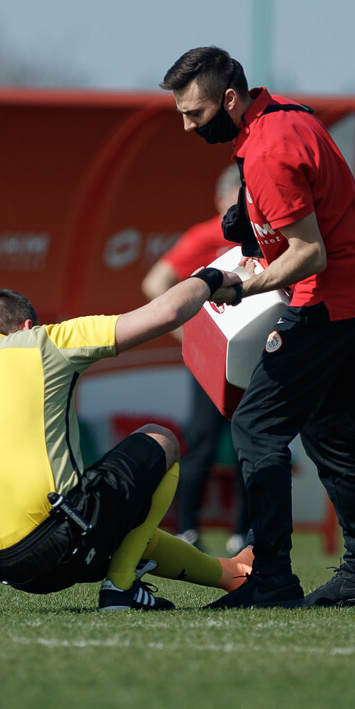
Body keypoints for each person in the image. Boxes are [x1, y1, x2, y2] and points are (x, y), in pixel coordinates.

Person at [161, 46, 355, 609]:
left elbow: (310, 254)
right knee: (329, 431)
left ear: (228, 99)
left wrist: (239, 284)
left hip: (333, 297)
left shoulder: (266, 150)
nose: (188, 126)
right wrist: (253, 230)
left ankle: (271, 576)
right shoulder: (289, 115)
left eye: (195, 114)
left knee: (256, 427)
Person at [0, 276, 254, 613]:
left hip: (7, 568)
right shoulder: (44, 341)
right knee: (161, 439)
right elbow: (168, 311)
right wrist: (211, 279)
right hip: (67, 539)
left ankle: (230, 574)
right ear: (27, 325)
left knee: (124, 523)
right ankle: (120, 590)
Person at [141, 164, 249, 555]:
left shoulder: (262, 237)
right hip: (213, 360)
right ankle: (187, 528)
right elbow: (155, 282)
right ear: (222, 199)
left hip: (252, 355)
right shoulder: (205, 236)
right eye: (239, 195)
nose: (246, 203)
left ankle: (245, 532)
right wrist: (191, 338)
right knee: (201, 443)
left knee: (251, 442)